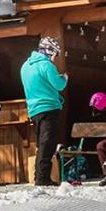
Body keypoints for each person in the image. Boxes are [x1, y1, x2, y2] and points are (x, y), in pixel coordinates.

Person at [21, 35, 67, 186]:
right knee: (48, 145)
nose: (56, 57)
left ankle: (39, 176)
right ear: (50, 51)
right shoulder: (46, 65)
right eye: (56, 54)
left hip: (34, 111)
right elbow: (59, 85)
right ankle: (42, 179)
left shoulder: (25, 66)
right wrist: (64, 78)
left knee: (41, 144)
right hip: (49, 109)